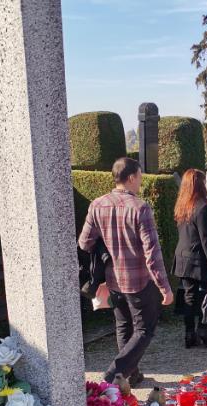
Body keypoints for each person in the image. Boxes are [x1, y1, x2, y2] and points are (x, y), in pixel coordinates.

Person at [78, 157, 174, 385]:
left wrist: (106, 246)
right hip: (138, 280)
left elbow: (84, 242)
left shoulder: (97, 205)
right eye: (140, 177)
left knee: (124, 326)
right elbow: (152, 253)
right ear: (131, 177)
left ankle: (132, 375)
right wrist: (165, 288)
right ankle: (114, 375)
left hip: (112, 279)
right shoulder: (140, 208)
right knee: (144, 329)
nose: (140, 181)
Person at [172, 168, 207, 348]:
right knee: (205, 296)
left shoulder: (182, 205)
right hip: (199, 259)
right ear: (199, 184)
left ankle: (189, 334)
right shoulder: (203, 206)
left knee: (189, 297)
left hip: (183, 256)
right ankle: (202, 331)